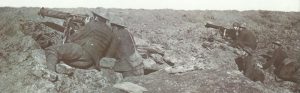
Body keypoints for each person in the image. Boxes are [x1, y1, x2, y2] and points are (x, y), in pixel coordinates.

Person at [44, 10, 144, 77]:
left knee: (52, 49)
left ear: (95, 16)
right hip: (93, 62)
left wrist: (86, 26)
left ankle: (50, 73)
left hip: (127, 68)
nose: (112, 27)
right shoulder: (122, 32)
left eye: (113, 26)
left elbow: (72, 39)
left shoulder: (113, 33)